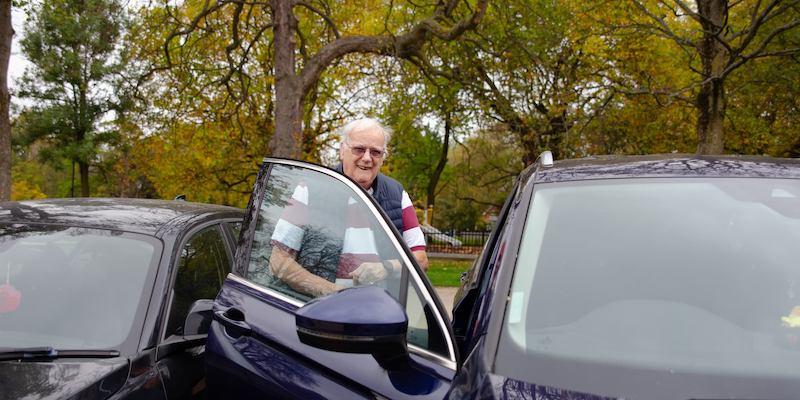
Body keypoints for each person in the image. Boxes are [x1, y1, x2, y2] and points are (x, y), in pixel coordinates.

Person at [267, 118, 428, 298]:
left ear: (383, 158)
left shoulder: (397, 194)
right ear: (342, 151)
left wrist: (386, 268)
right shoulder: (310, 189)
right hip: (319, 315)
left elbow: (421, 260)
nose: (367, 158)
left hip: (383, 315)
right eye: (359, 149)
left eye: (376, 152)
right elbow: (278, 261)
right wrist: (333, 293)